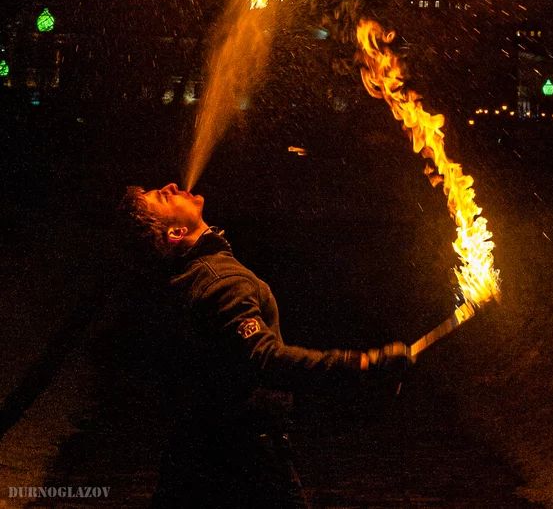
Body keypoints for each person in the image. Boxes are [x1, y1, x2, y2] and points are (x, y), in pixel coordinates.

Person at [117, 182, 413, 509]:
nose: (172, 185)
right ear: (175, 233)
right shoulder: (221, 281)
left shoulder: (187, 276)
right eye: (163, 196)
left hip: (197, 451)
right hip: (245, 461)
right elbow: (266, 359)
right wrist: (362, 365)